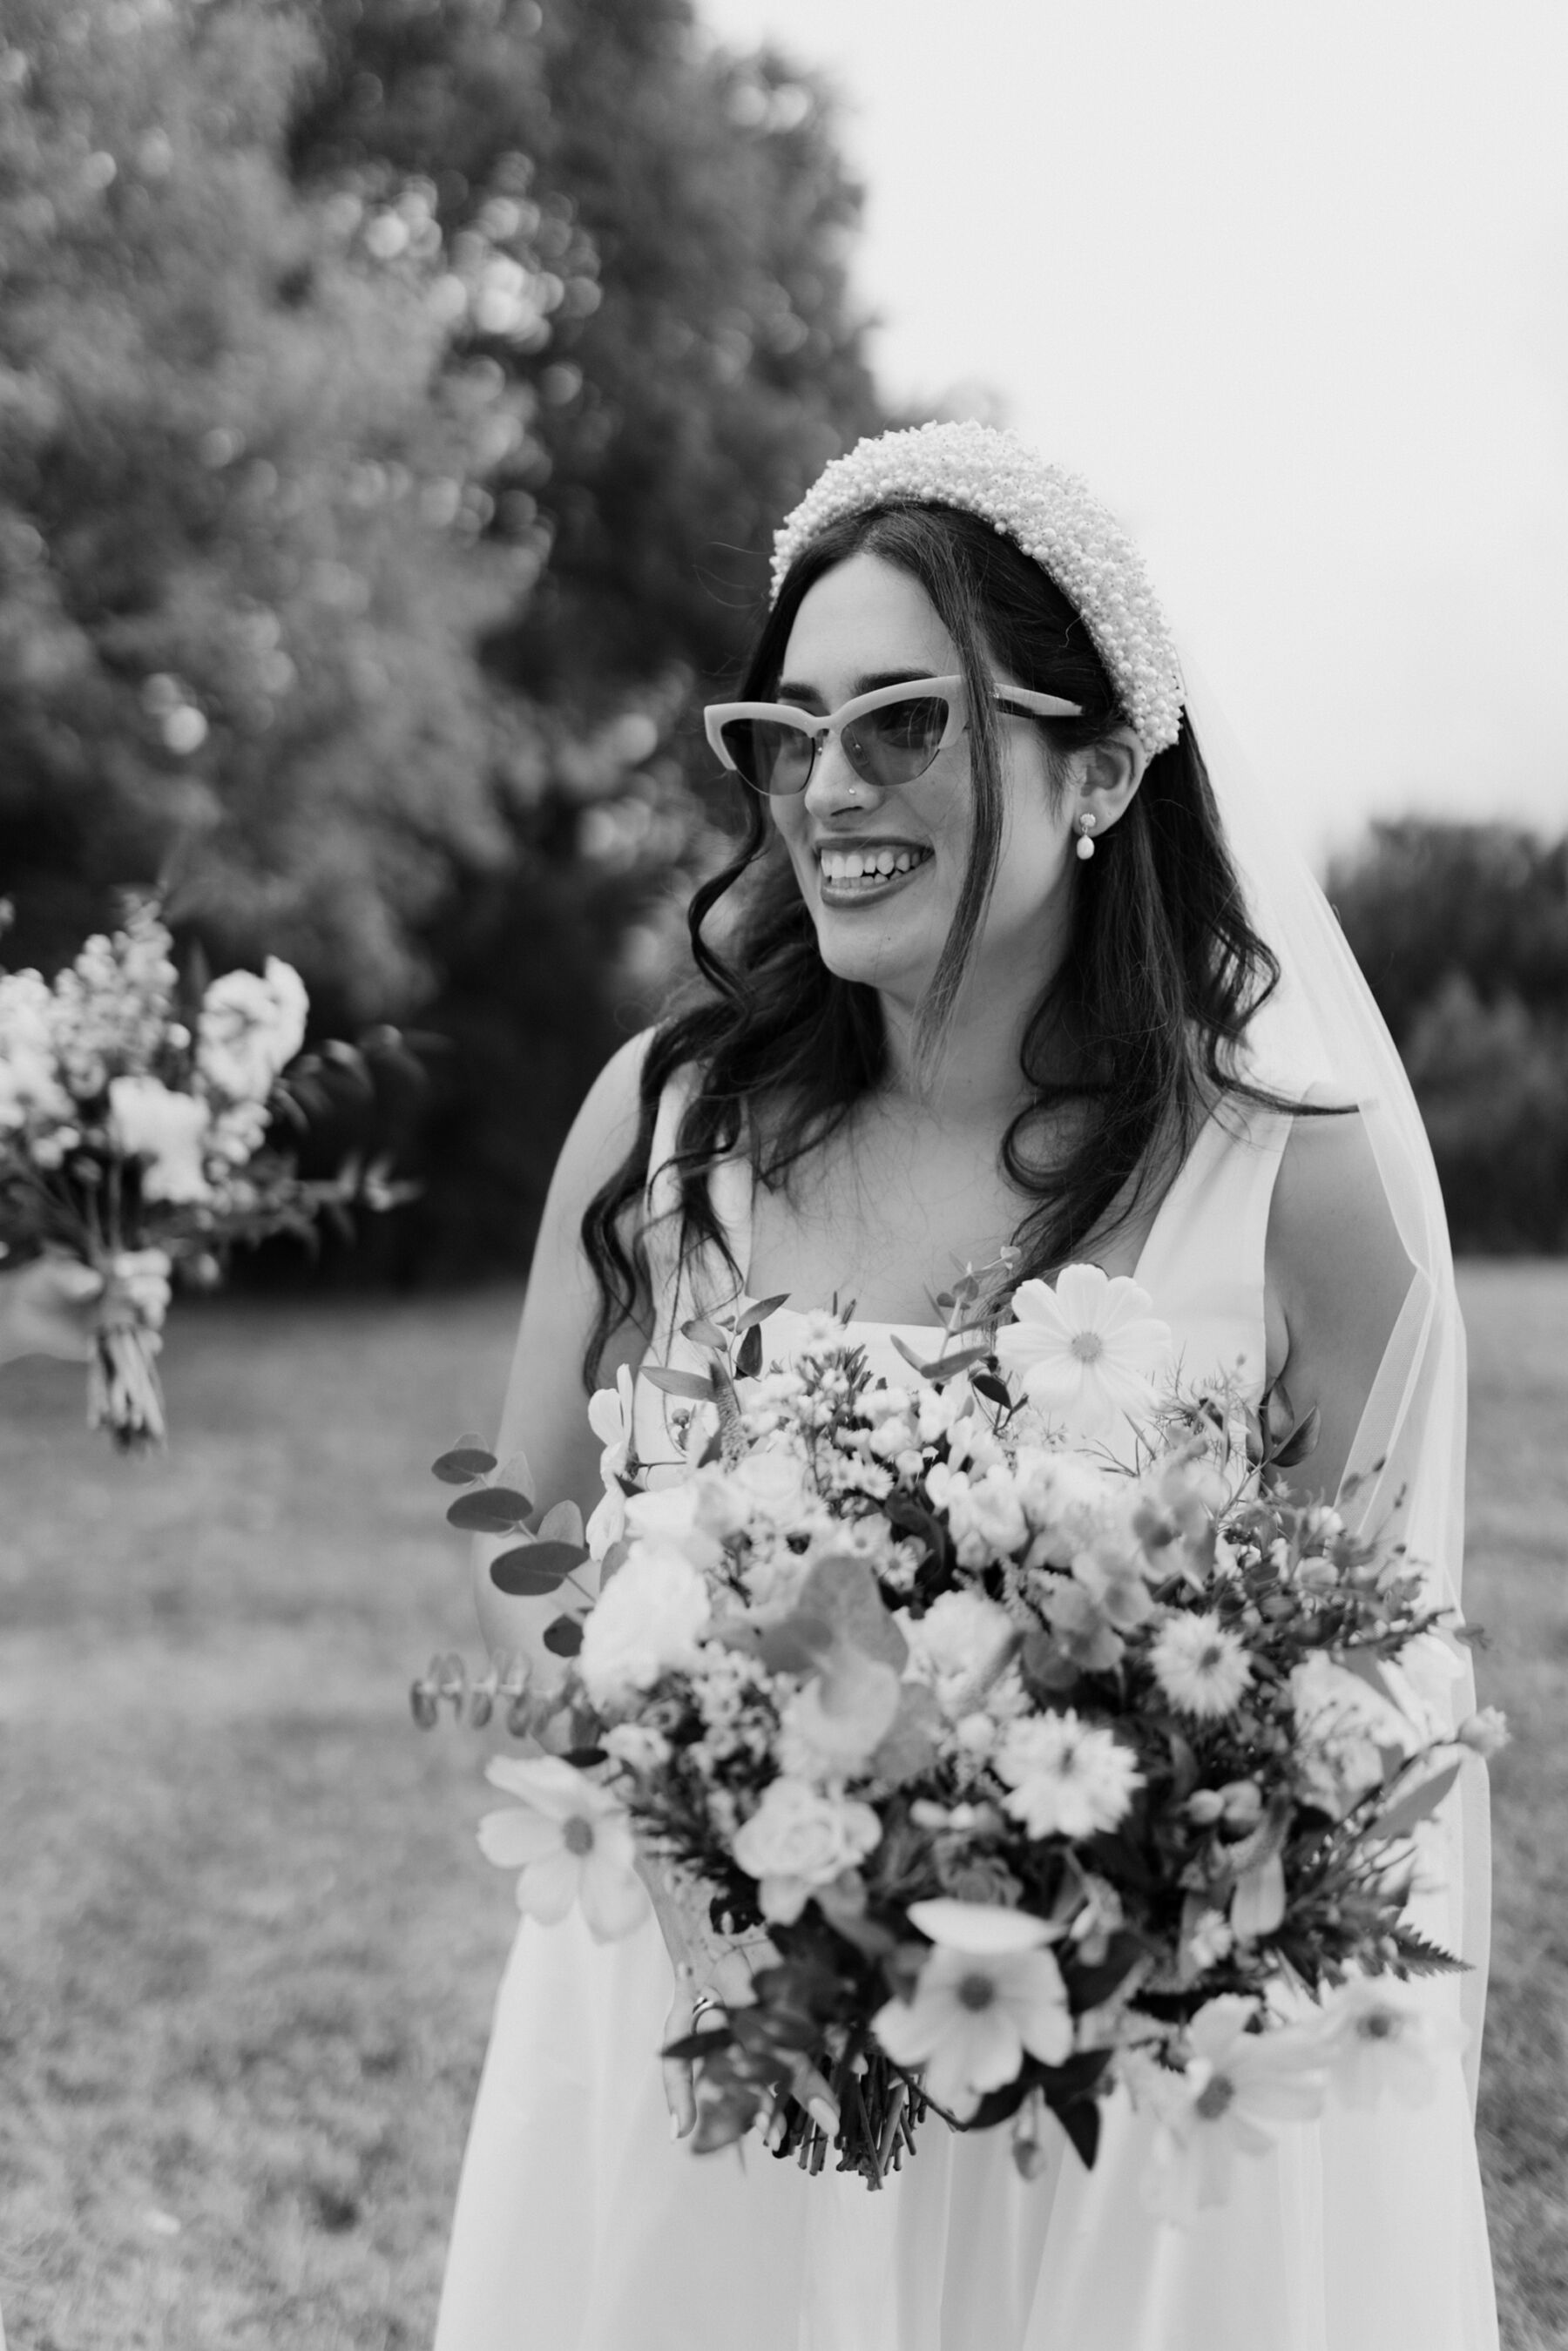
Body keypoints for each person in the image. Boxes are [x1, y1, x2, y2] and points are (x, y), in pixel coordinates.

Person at [434, 422, 1497, 2350]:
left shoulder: (1298, 1194)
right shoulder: (662, 1130)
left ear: (1098, 770)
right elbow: (525, 1556)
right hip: (715, 2054)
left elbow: (1371, 1686)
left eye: (902, 725)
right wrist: (728, 1800)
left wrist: (1106, 1852)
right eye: (786, 732)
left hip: (1111, 2115)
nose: (824, 787)